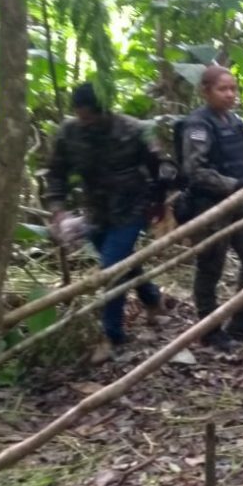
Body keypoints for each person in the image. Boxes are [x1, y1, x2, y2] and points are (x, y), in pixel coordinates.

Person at [44, 82, 167, 356]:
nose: (86, 122)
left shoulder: (134, 129)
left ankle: (112, 335)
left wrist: (159, 205)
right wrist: (59, 211)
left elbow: (159, 169)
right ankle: (152, 299)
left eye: (91, 116)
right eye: (81, 115)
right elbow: (56, 173)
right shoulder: (69, 133)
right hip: (96, 213)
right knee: (124, 263)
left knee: (112, 267)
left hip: (132, 208)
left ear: (104, 111)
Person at [180, 65, 243, 351]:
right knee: (210, 269)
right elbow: (196, 171)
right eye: (222, 89)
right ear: (205, 91)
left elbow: (239, 159)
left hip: (238, 201)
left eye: (233, 88)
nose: (230, 94)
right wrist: (235, 183)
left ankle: (241, 319)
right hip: (209, 206)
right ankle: (210, 329)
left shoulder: (234, 121)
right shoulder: (198, 125)